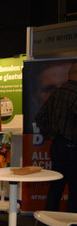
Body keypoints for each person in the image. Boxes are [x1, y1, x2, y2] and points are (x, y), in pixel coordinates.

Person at [36, 62, 77, 212]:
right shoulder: (75, 94)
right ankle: (71, 225)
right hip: (73, 149)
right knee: (75, 192)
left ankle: (49, 222)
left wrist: (50, 135)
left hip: (57, 146)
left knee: (55, 187)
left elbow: (40, 117)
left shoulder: (56, 94)